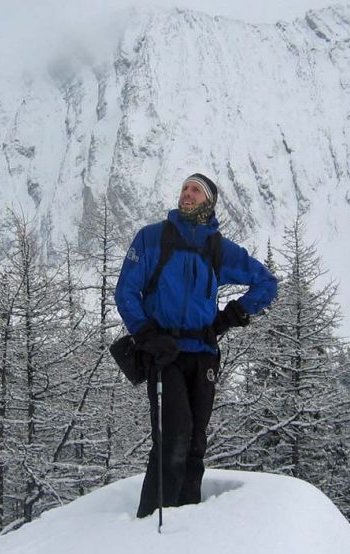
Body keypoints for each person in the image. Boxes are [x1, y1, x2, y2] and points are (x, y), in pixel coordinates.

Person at [115, 172, 277, 518]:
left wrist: (230, 316)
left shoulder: (217, 248)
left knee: (195, 444)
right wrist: (146, 334)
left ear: (209, 202)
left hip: (204, 356)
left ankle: (187, 525)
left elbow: (266, 283)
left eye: (196, 191)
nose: (187, 194)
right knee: (173, 437)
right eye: (185, 188)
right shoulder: (151, 238)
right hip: (165, 354)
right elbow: (126, 290)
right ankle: (152, 524)